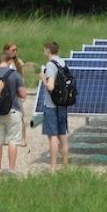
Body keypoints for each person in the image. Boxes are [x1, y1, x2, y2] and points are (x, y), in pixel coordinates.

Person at [0, 52, 27, 173]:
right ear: (10, 61)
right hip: (13, 110)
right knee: (13, 140)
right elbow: (23, 94)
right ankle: (11, 168)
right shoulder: (15, 74)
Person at [40, 41, 69, 172]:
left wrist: (43, 79)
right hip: (63, 103)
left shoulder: (50, 65)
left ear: (48, 51)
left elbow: (51, 86)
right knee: (63, 134)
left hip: (51, 104)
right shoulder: (62, 62)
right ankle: (65, 165)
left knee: (53, 135)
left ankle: (52, 167)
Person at [3, 41, 27, 146]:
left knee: (20, 114)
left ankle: (23, 138)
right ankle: (5, 137)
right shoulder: (2, 62)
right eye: (13, 50)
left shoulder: (19, 62)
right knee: (4, 113)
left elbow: (21, 77)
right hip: (5, 91)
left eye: (16, 50)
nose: (15, 52)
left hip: (16, 91)